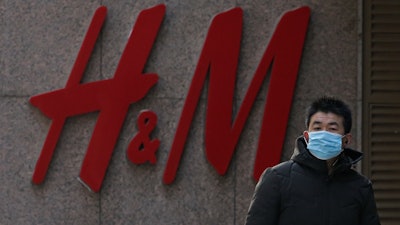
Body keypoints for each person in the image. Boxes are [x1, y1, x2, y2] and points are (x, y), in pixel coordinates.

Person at [244, 96, 381, 225]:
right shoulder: (277, 178)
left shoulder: (360, 186)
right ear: (307, 136)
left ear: (346, 140)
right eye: (317, 128)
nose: (323, 134)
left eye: (332, 128)